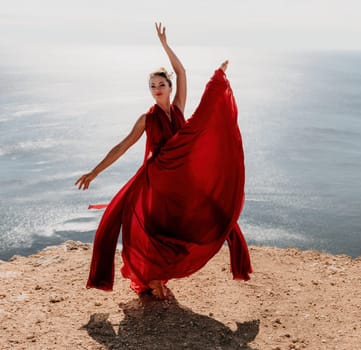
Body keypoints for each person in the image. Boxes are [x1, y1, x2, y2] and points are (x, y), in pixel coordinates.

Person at [75, 23, 252, 299]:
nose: (157, 89)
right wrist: (94, 172)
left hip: (181, 181)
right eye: (152, 86)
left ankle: (166, 274)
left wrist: (164, 44)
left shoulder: (179, 108)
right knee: (154, 232)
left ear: (169, 87)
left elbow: (182, 72)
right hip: (156, 182)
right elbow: (122, 146)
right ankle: (154, 279)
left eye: (161, 84)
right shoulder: (147, 119)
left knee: (208, 218)